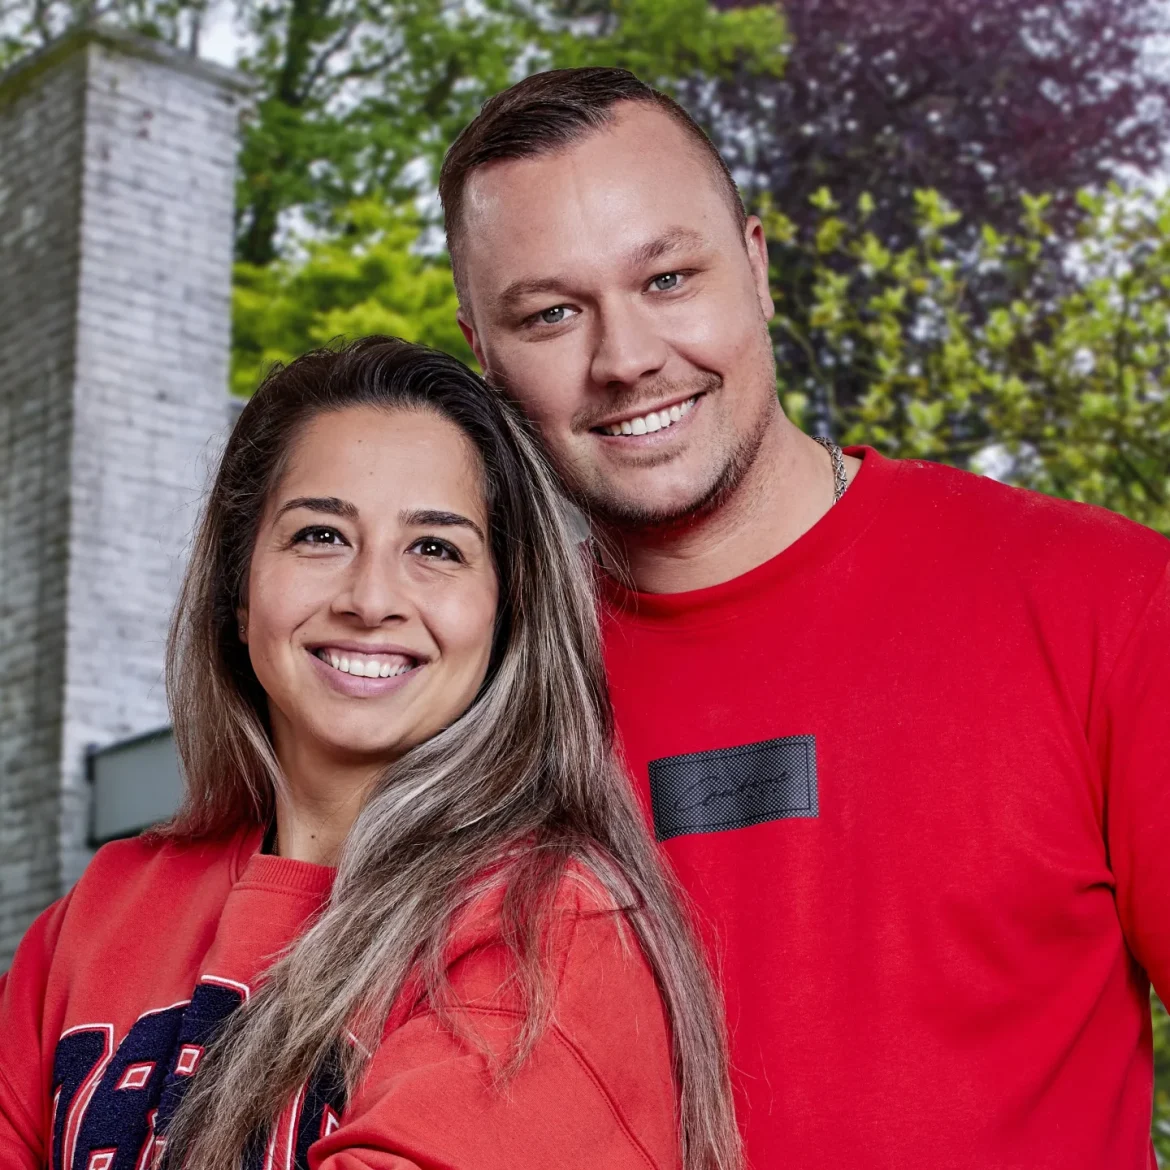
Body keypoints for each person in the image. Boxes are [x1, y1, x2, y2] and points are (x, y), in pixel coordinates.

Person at [439, 68, 1170, 1168]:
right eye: (550, 313)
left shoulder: (1101, 599)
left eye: (670, 277)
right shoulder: (468, 702)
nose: (627, 357)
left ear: (758, 267)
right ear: (482, 355)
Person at [0, 338, 742, 1170]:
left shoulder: (546, 930)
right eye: (320, 535)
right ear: (237, 595)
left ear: (507, 617)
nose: (370, 599)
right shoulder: (103, 912)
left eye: (435, 549)